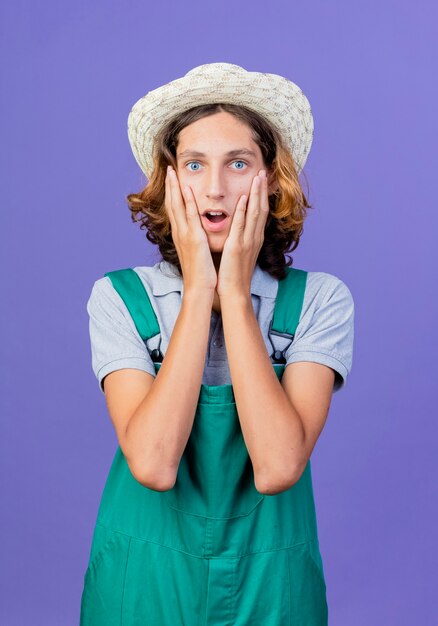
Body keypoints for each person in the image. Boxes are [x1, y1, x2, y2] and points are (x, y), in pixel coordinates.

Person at [80, 62, 355, 625]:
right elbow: (153, 463)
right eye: (194, 164)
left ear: (271, 178)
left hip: (272, 587)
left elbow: (278, 466)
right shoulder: (118, 298)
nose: (214, 188)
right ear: (171, 180)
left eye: (238, 163)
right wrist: (198, 282)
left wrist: (232, 289)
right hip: (143, 584)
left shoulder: (321, 301)